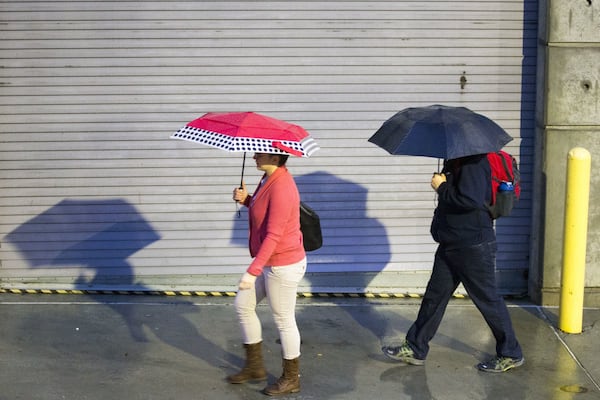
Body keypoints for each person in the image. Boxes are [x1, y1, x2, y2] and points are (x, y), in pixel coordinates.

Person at [382, 153, 524, 373]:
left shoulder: (474, 162)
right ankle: (415, 347)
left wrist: (442, 187)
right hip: (452, 241)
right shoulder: (457, 162)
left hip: (473, 244)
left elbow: (471, 200)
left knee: (488, 300)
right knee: (434, 297)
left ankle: (510, 353)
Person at [228, 152, 307, 395]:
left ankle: (292, 378)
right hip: (270, 262)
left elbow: (274, 234)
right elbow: (263, 210)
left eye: (260, 152)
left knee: (284, 320)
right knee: (243, 304)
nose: (254, 155)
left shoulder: (282, 187)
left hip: (283, 264)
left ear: (275, 157)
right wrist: (247, 200)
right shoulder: (267, 178)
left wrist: (252, 271)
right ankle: (254, 367)